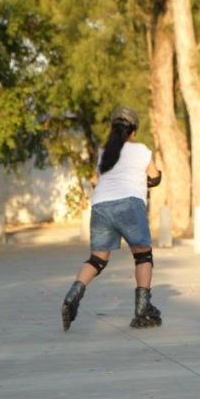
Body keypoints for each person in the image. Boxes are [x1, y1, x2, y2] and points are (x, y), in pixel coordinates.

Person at [61, 105, 163, 331]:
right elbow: (154, 178)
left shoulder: (103, 153)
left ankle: (73, 294)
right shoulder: (141, 151)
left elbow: (109, 178)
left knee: (97, 260)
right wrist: (146, 180)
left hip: (101, 205)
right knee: (143, 256)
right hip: (129, 205)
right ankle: (142, 310)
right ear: (133, 131)